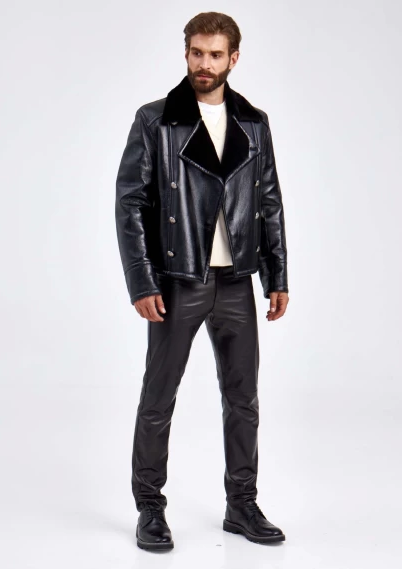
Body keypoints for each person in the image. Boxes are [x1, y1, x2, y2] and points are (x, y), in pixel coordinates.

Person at [115, 11, 290, 552]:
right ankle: (150, 508)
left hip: (236, 279)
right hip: (178, 278)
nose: (204, 64)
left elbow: (268, 200)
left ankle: (242, 504)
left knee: (243, 399)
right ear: (186, 53)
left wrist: (277, 274)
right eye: (197, 53)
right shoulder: (156, 120)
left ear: (233, 58)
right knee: (158, 397)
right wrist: (143, 281)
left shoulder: (254, 122)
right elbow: (131, 203)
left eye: (215, 55)